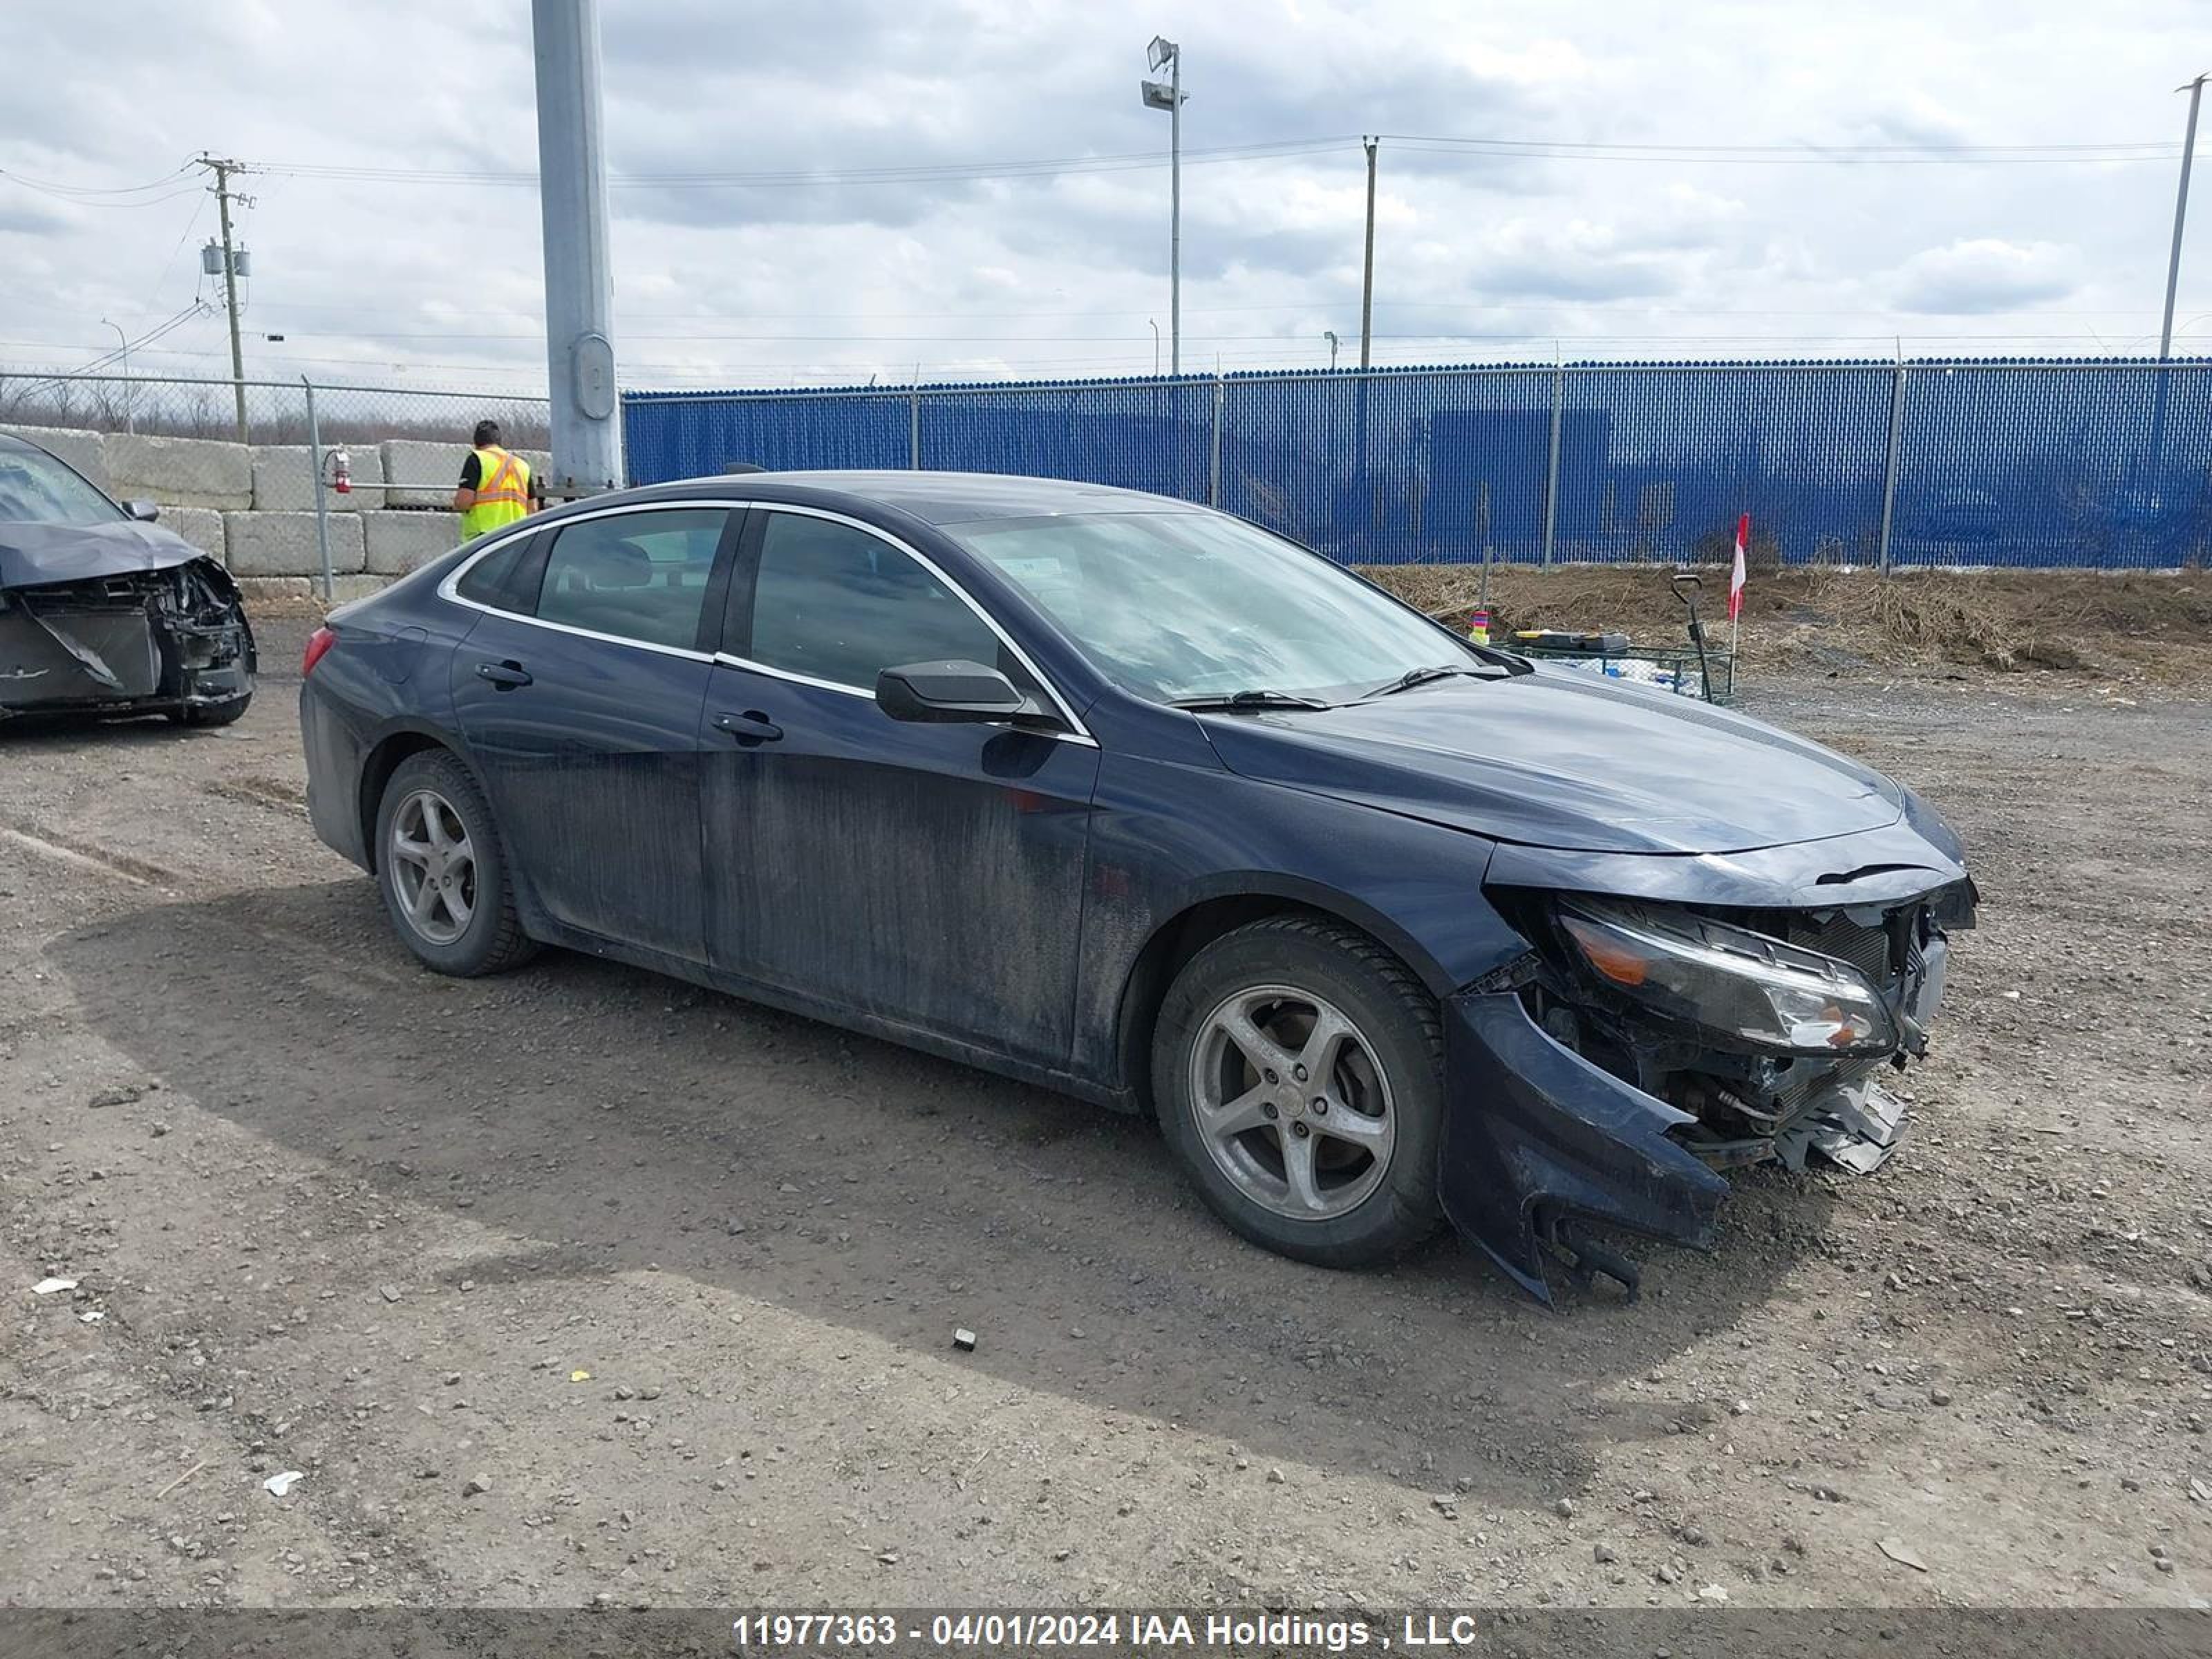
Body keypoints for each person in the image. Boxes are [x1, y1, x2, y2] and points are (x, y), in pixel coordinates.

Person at [452, 420, 536, 539]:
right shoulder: (522, 465)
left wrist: (456, 503)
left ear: (476, 443)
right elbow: (532, 509)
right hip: (516, 537)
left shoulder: (477, 459)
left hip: (484, 538)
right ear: (499, 442)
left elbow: (464, 502)